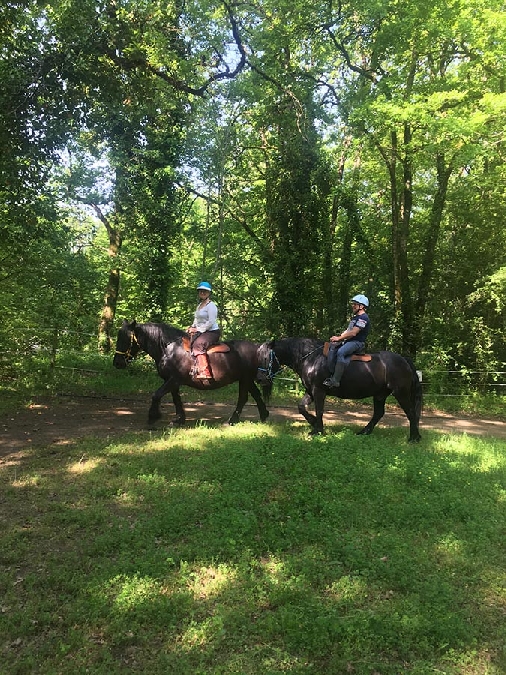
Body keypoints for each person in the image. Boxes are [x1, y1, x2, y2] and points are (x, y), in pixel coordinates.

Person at [323, 294, 370, 388]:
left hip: (357, 343)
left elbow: (353, 333)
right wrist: (338, 338)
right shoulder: (355, 318)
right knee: (333, 347)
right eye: (353, 304)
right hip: (349, 341)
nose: (353, 305)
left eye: (355, 304)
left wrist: (339, 338)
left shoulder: (363, 318)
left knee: (341, 352)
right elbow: (348, 331)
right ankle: (331, 372)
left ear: (361, 306)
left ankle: (335, 380)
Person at [187, 281, 221, 378]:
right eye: (201, 291)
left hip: (211, 332)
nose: (202, 293)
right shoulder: (199, 306)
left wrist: (197, 329)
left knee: (198, 344)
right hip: (201, 330)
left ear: (209, 293)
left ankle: (205, 372)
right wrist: (192, 327)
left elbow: (211, 322)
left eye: (205, 291)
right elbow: (196, 319)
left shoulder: (211, 306)